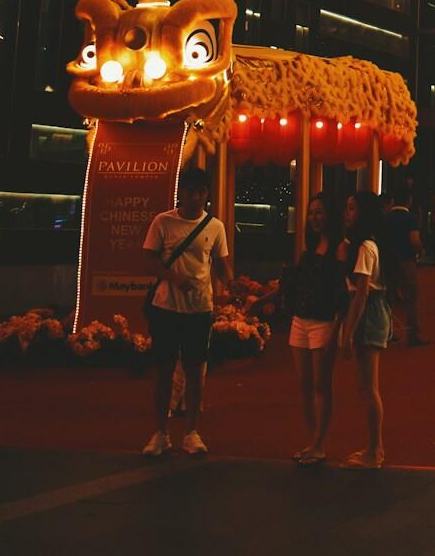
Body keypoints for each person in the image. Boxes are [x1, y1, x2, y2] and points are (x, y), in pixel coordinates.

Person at [248, 193, 351, 465]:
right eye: (311, 213)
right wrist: (262, 300)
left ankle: (320, 443)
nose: (315, 218)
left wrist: (340, 328)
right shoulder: (310, 247)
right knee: (305, 385)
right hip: (300, 320)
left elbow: (344, 292)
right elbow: (293, 284)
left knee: (321, 384)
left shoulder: (341, 247)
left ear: (331, 214)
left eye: (320, 212)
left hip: (324, 322)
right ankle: (312, 440)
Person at [141, 165, 232, 457]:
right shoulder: (163, 222)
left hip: (199, 308)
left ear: (207, 195)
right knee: (164, 370)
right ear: (181, 192)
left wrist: (233, 285)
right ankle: (160, 433)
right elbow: (148, 259)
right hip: (166, 307)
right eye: (190, 191)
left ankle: (191, 432)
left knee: (196, 372)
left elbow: (220, 264)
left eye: (201, 192)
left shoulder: (215, 227)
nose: (195, 197)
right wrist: (174, 278)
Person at [342, 189, 391, 468]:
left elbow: (360, 294)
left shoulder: (364, 247)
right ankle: (374, 449)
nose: (346, 214)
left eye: (352, 208)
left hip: (368, 312)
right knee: (366, 386)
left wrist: (348, 332)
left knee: (369, 387)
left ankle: (375, 450)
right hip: (373, 309)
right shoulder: (367, 245)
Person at [381, 176, 428, 346]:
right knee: (411, 298)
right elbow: (414, 240)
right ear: (409, 201)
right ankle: (413, 333)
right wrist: (421, 251)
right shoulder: (410, 218)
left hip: (388, 262)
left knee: (388, 298)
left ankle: (387, 332)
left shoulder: (386, 218)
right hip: (406, 261)